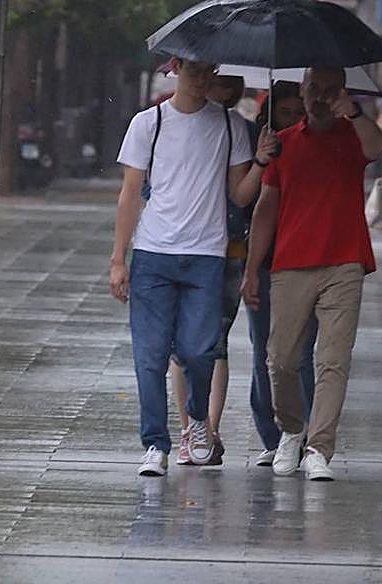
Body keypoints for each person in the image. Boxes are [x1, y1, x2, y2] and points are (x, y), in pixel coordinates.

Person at [111, 58, 277, 478]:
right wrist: (119, 259)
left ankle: (197, 419)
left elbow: (239, 196)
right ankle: (155, 443)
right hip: (152, 253)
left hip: (207, 254)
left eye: (210, 73)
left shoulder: (230, 125)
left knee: (200, 350)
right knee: (150, 355)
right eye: (196, 71)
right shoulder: (149, 123)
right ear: (178, 68)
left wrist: (260, 162)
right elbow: (130, 194)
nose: (204, 80)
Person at [243, 67, 382, 481]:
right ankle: (291, 429)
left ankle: (319, 448)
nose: (320, 98)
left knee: (333, 360)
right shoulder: (284, 145)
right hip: (291, 263)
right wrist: (252, 269)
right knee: (282, 359)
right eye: (313, 91)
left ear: (340, 92)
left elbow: (378, 148)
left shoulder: (353, 136)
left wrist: (355, 113)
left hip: (344, 262)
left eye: (328, 90)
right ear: (302, 93)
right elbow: (265, 210)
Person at [169, 72, 251, 466]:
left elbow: (247, 195)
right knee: (181, 346)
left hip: (226, 248)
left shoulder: (241, 132)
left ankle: (207, 429)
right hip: (180, 247)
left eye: (232, 87)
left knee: (213, 343)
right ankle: (190, 427)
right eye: (220, 83)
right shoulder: (168, 124)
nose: (224, 92)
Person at [244, 81, 317, 468]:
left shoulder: (312, 147)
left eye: (299, 113)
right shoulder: (259, 147)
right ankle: (272, 435)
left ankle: (302, 432)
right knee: (264, 353)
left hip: (304, 261)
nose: (295, 120)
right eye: (287, 113)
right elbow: (244, 201)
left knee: (299, 354)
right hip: (266, 258)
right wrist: (262, 160)